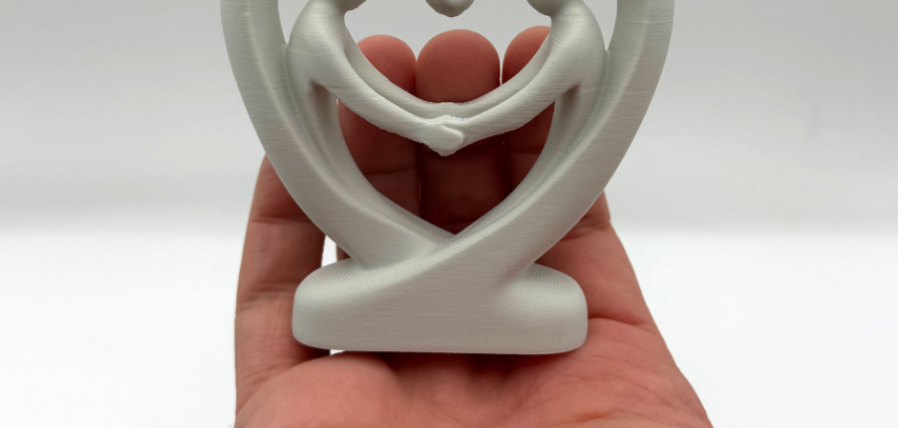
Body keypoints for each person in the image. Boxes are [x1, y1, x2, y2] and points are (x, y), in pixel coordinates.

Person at [236, 28, 712, 427]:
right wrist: (432, 121)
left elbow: (531, 94)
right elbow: (359, 89)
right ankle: (441, 284)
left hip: (530, 194)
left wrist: (458, 121)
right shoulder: (319, 34)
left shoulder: (576, 38)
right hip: (349, 190)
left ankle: (442, 285)